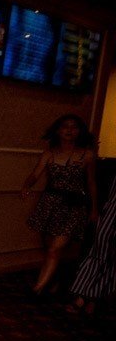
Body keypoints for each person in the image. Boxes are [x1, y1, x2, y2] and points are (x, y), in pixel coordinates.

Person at [21, 114, 98, 296]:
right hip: (50, 204)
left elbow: (91, 183)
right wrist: (26, 186)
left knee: (55, 249)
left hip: (73, 206)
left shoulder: (87, 155)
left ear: (79, 131)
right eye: (65, 126)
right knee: (49, 248)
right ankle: (54, 281)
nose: (69, 130)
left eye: (74, 127)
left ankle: (37, 289)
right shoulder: (49, 153)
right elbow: (35, 174)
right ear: (58, 130)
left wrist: (94, 209)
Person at [69, 182, 115, 314]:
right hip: (111, 211)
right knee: (100, 251)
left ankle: (93, 298)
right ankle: (85, 296)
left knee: (111, 258)